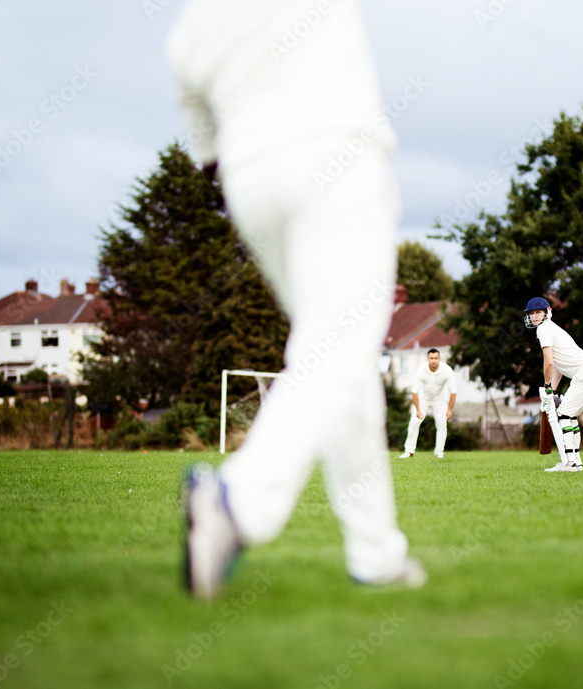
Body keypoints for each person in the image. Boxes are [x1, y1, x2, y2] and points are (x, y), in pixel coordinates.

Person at [166, 0, 425, 599]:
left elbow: (206, 148)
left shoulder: (191, 28)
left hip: (252, 180)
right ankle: (237, 504)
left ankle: (376, 554)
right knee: (337, 347)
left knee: (343, 360)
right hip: (335, 154)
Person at [523, 297, 583, 472]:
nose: (535, 317)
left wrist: (545, 384)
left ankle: (570, 464)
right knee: (570, 415)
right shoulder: (553, 328)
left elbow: (549, 363)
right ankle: (576, 461)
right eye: (532, 314)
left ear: (547, 312)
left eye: (538, 312)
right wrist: (550, 390)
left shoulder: (544, 329)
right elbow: (558, 368)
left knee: (564, 414)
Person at [398, 348, 457, 459]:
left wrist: (449, 410)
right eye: (431, 358)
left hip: (440, 399)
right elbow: (415, 392)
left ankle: (439, 452)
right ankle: (409, 451)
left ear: (439, 359)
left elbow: (453, 391)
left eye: (436, 358)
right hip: (424, 399)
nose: (434, 361)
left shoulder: (447, 370)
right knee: (414, 422)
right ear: (428, 359)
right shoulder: (421, 370)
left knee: (441, 423)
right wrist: (418, 410)